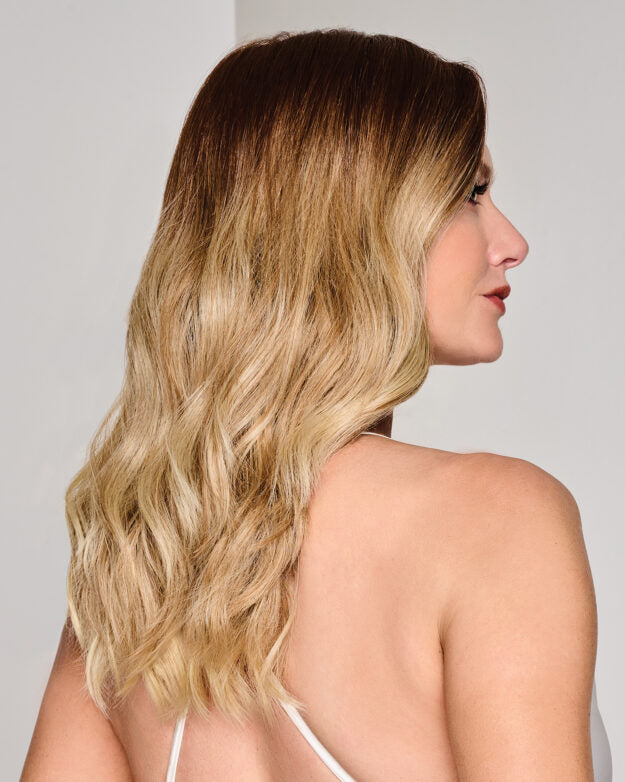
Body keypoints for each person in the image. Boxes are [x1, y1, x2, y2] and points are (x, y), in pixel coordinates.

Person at [21, 28, 612, 781]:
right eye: (471, 191)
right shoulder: (497, 517)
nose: (511, 241)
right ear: (357, 219)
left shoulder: (139, 564)